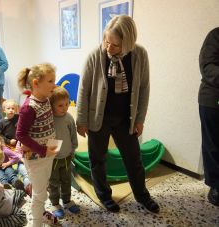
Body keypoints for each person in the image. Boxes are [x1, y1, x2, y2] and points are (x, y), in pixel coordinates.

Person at [76, 15, 159, 213]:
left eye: (115, 45)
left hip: (125, 119)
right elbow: (83, 89)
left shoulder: (140, 55)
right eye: (106, 41)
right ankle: (105, 196)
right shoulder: (95, 56)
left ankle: (142, 195)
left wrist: (140, 119)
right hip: (99, 118)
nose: (108, 48)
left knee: (134, 158)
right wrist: (81, 120)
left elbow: (144, 88)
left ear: (128, 42)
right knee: (97, 159)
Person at [16, 63, 59, 226]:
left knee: (42, 187)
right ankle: (36, 222)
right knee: (40, 195)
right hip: (37, 156)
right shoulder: (28, 107)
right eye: (50, 81)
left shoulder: (45, 97)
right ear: (36, 83)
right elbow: (20, 134)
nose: (54, 85)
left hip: (47, 153)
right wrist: (42, 150)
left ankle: (40, 212)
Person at [48, 87, 80, 218]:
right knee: (53, 181)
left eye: (66, 104)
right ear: (52, 105)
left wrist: (73, 149)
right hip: (53, 158)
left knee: (66, 180)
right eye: (60, 105)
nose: (65, 107)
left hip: (67, 155)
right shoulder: (49, 118)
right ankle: (55, 203)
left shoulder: (69, 118)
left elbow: (73, 134)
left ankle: (67, 200)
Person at [198, 27, 219, 207]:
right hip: (213, 100)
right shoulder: (215, 35)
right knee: (212, 144)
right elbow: (207, 67)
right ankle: (216, 185)